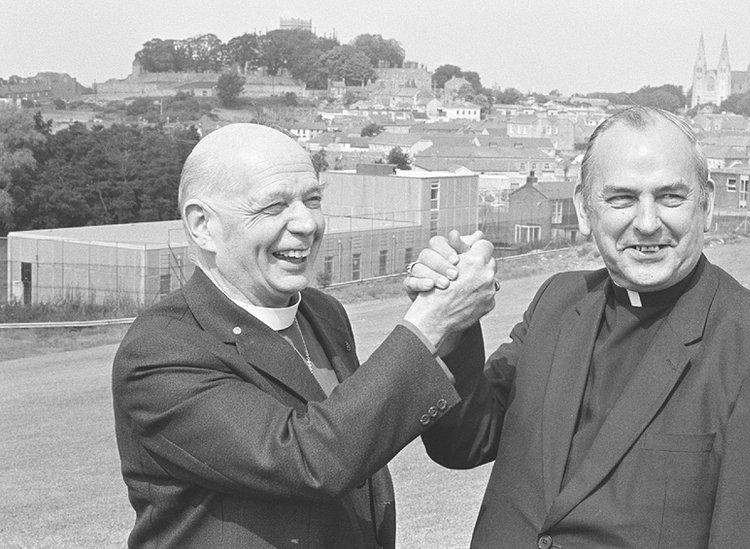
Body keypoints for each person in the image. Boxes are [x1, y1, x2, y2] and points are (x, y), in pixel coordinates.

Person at [407, 107, 750, 548]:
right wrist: (453, 319)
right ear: (585, 210)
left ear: (707, 205)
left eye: (670, 197)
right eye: (622, 199)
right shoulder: (558, 301)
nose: (647, 223)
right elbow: (462, 441)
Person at [112, 123, 497, 548]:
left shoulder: (323, 312)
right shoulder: (162, 350)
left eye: (312, 200)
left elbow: (362, 432)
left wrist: (451, 308)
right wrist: (430, 321)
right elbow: (311, 459)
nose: (306, 223)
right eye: (273, 206)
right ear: (202, 225)